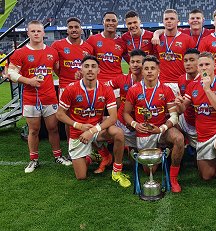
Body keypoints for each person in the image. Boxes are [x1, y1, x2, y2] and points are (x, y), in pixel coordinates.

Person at [56, 55, 131, 188]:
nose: (90, 70)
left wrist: (92, 130)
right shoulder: (71, 89)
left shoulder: (106, 89)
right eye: (86, 66)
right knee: (81, 176)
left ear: (98, 70)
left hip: (96, 129)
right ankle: (95, 156)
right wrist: (78, 125)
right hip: (78, 133)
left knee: (118, 133)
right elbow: (60, 114)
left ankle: (117, 171)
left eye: (93, 66)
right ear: (81, 70)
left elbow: (113, 117)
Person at [7, 20, 71, 173]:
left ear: (43, 33)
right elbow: (10, 73)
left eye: (38, 31)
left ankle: (58, 156)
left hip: (49, 97)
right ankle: (33, 160)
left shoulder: (52, 52)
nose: (36, 33)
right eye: (33, 31)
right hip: (30, 98)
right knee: (34, 130)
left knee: (53, 128)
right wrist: (28, 81)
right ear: (28, 33)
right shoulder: (20, 52)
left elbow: (58, 71)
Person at [175, 52, 216, 198]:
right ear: (198, 68)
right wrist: (178, 104)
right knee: (206, 176)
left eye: (207, 64)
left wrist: (208, 89)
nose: (204, 68)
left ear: (214, 66)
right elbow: (183, 109)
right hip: (202, 137)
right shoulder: (192, 86)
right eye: (201, 65)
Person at [123, 55, 184, 193]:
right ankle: (162, 153)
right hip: (143, 132)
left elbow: (174, 116)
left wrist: (162, 128)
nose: (149, 71)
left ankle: (173, 179)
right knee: (148, 170)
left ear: (158, 71)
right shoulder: (134, 90)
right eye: (146, 69)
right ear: (142, 71)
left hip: (161, 130)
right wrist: (135, 124)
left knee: (179, 138)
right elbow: (126, 113)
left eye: (153, 68)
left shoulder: (166, 90)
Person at [105, 49, 146, 151]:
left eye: (138, 62)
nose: (135, 65)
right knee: (96, 126)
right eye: (132, 62)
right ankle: (106, 154)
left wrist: (134, 123)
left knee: (138, 162)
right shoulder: (121, 79)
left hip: (141, 124)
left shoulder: (151, 82)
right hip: (121, 122)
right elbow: (102, 88)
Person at [153, 9, 196, 95]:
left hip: (181, 83)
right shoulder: (157, 39)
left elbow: (194, 61)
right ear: (163, 22)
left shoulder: (187, 39)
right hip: (162, 82)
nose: (169, 21)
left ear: (178, 22)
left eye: (172, 19)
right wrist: (156, 34)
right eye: (166, 19)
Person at [51, 17, 93, 97]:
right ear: (67, 30)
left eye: (76, 27)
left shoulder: (89, 47)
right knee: (64, 110)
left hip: (84, 87)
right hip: (65, 87)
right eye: (70, 27)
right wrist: (61, 75)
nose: (74, 30)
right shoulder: (57, 45)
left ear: (81, 29)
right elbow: (53, 65)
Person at [86, 11, 126, 83]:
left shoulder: (122, 42)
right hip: (99, 83)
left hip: (117, 83)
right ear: (103, 22)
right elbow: (83, 59)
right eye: (108, 20)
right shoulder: (92, 40)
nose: (110, 23)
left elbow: (131, 61)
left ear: (117, 24)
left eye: (113, 21)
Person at [177, 48, 200, 149]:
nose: (188, 63)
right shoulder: (181, 79)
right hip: (186, 118)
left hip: (201, 121)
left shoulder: (205, 79)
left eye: (192, 60)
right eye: (185, 60)